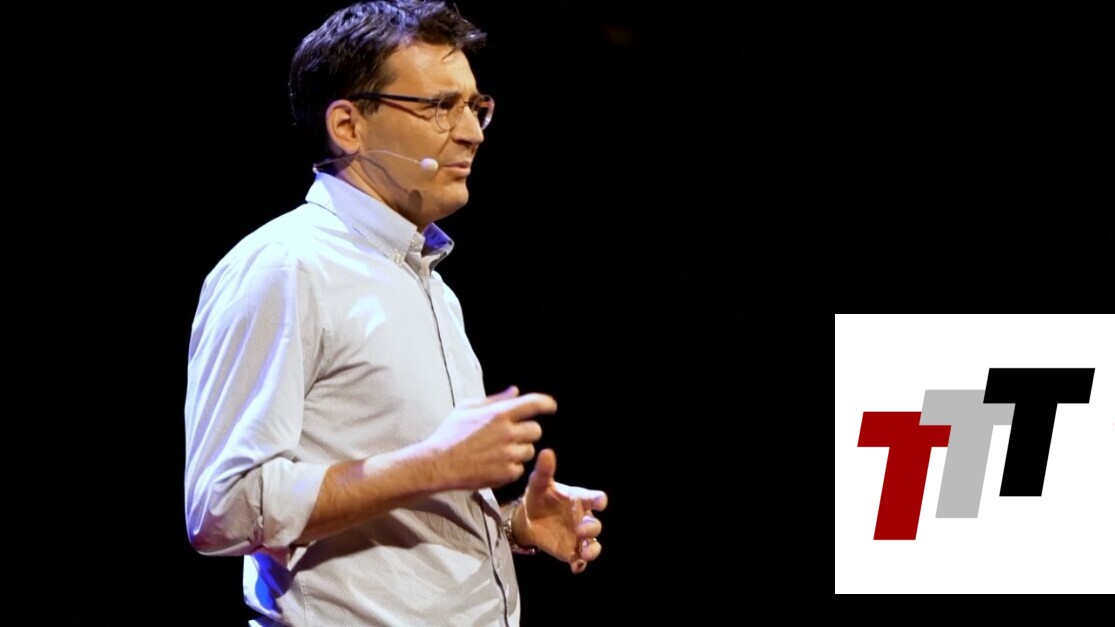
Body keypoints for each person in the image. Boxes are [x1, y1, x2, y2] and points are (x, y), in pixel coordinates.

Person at [182, 1, 608, 624]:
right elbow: (222, 508)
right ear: (348, 126)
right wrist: (432, 466)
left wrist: (509, 523)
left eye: (476, 106)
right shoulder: (285, 266)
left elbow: (401, 499)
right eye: (440, 107)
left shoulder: (429, 283)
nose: (473, 132)